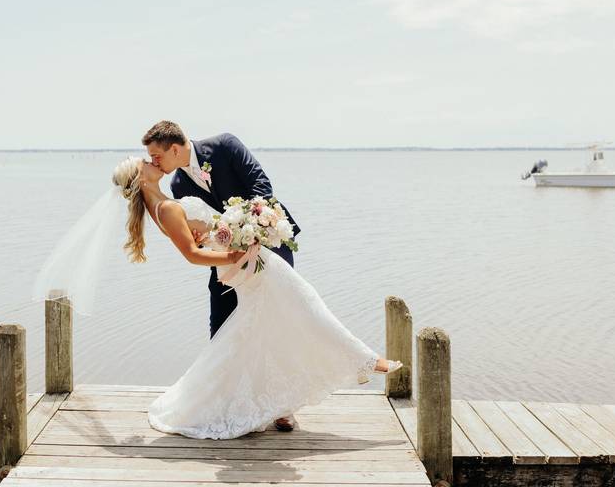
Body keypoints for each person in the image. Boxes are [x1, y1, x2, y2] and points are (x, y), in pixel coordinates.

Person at [111, 154, 402, 440]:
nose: (152, 162)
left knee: (265, 326)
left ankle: (275, 395)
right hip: (244, 264)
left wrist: (239, 230)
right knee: (304, 306)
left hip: (246, 262)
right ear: (139, 178)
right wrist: (235, 252)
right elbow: (192, 254)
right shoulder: (166, 208)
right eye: (144, 163)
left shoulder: (161, 205)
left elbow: (200, 235)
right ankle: (365, 360)